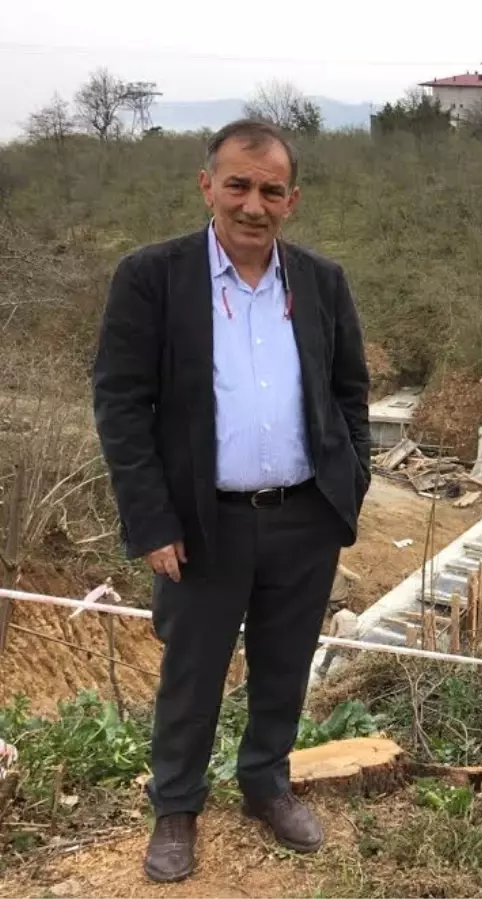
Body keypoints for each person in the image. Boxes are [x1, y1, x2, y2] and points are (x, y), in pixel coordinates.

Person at [92, 119, 371, 883]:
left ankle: (265, 784)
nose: (254, 204)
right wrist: (151, 519)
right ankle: (177, 805)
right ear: (207, 185)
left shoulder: (319, 281)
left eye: (271, 190)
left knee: (285, 664)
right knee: (193, 671)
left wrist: (348, 487)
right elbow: (121, 405)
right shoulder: (152, 278)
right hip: (199, 524)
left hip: (303, 515)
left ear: (293, 200)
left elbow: (350, 393)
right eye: (239, 185)